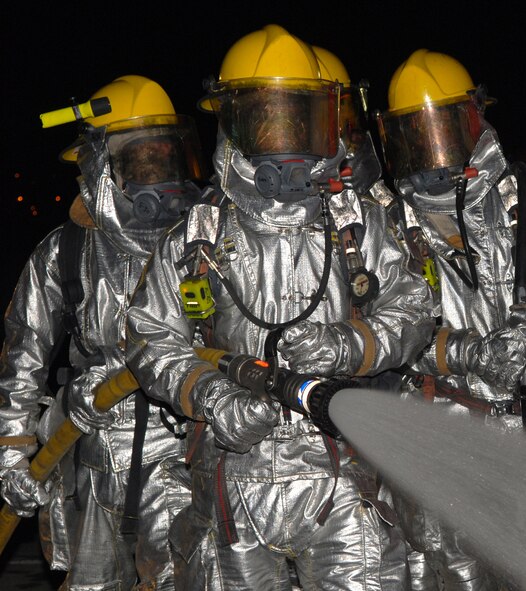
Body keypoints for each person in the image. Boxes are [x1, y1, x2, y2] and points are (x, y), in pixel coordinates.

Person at [124, 24, 434, 590]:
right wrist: (211, 395)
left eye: (301, 116)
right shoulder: (198, 236)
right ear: (235, 126)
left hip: (346, 477)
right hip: (231, 482)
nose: (288, 141)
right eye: (269, 118)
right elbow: (149, 337)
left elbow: (413, 309)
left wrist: (351, 344)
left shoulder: (360, 224)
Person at [374, 49, 526, 589]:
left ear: (475, 120)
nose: (433, 148)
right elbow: (373, 323)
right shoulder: (383, 223)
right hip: (439, 424)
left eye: (444, 126)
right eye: (417, 132)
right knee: (448, 565)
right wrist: (458, 352)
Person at [0, 75, 204, 589]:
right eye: (144, 161)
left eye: (168, 158)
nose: (162, 178)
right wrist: (12, 458)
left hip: (185, 450)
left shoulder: (207, 244)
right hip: (87, 456)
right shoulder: (62, 254)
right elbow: (22, 361)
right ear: (102, 169)